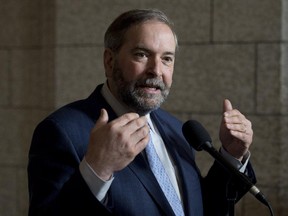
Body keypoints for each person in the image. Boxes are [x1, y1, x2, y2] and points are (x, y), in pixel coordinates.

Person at [28, 9, 256, 216]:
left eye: (167, 59)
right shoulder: (62, 131)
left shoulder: (177, 129)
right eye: (141, 54)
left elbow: (203, 208)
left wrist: (231, 156)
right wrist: (97, 169)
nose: (156, 70)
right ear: (109, 61)